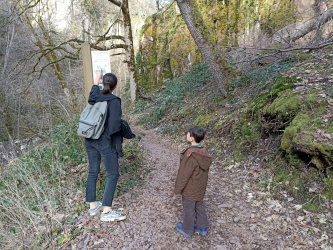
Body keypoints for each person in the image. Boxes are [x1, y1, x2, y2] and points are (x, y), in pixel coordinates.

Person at [84, 70, 126, 222]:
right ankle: (107, 212)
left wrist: (96, 79)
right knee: (113, 174)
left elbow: (93, 92)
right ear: (115, 86)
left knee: (93, 171)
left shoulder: (95, 96)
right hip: (103, 140)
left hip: (89, 138)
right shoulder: (114, 100)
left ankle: (93, 206)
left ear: (102, 83)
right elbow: (115, 125)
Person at [174, 126, 212, 237]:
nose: (186, 135)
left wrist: (178, 188)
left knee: (189, 209)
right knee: (199, 206)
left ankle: (187, 230)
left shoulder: (190, 154)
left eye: (187, 134)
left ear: (191, 138)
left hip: (190, 188)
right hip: (200, 187)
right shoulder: (204, 153)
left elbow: (184, 174)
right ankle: (202, 228)